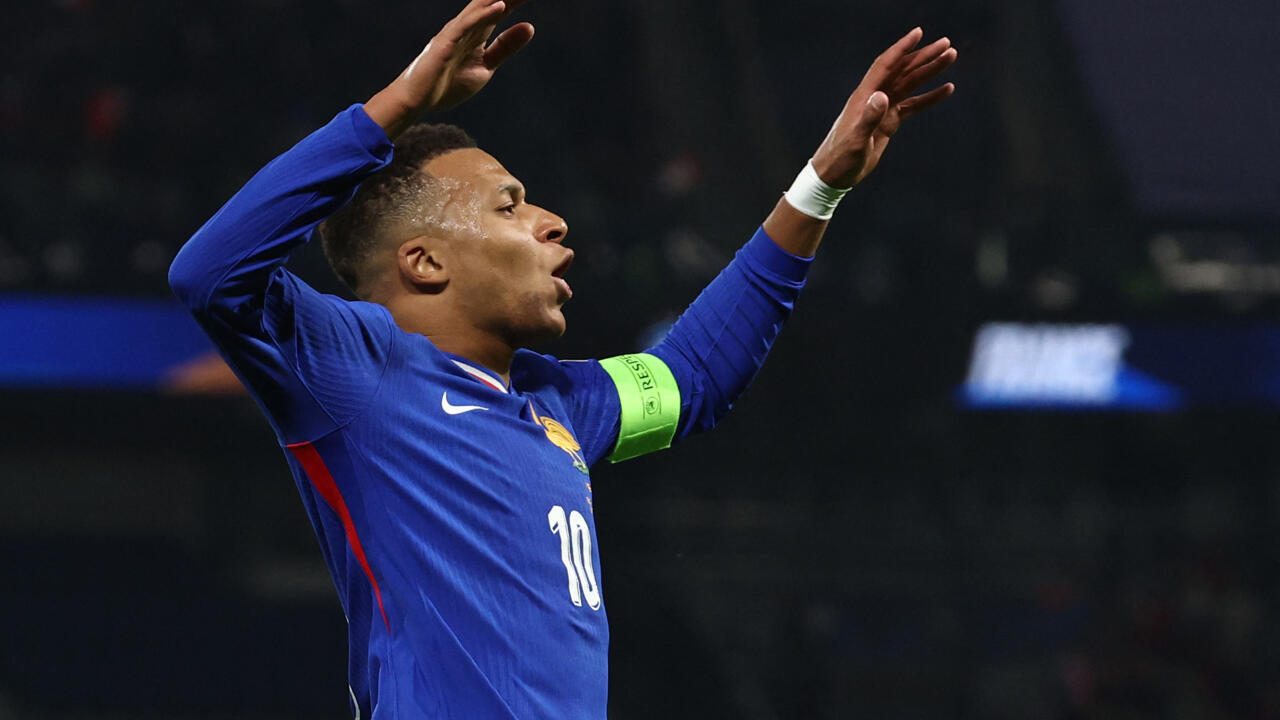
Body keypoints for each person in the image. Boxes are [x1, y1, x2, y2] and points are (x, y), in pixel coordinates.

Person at [168, 0, 956, 716]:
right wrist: (400, 103)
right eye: (509, 205)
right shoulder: (359, 371)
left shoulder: (556, 406)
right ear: (425, 263)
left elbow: (693, 377)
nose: (552, 223)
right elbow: (209, 274)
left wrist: (820, 186)